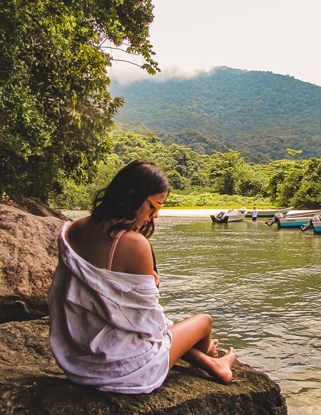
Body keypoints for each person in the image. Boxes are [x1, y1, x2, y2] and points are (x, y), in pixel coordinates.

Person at [48, 159, 235, 394]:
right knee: (204, 321)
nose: (155, 216)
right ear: (134, 197)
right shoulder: (133, 244)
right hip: (125, 371)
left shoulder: (72, 229)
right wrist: (151, 287)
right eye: (154, 207)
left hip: (78, 363)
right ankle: (209, 355)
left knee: (169, 331)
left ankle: (213, 364)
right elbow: (153, 327)